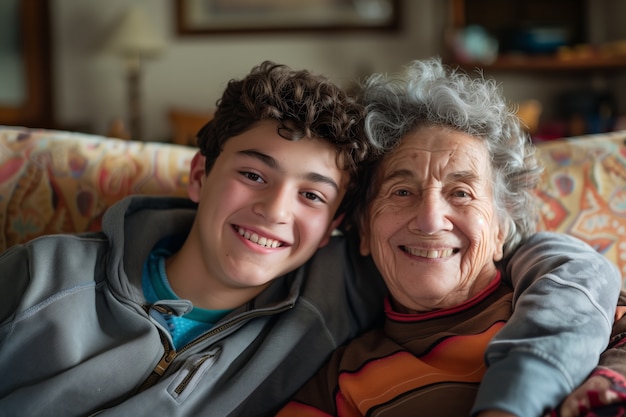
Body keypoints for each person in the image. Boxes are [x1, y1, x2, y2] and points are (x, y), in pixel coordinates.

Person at [0, 60, 619, 417]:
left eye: (313, 195)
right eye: (252, 174)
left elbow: (574, 271)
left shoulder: (556, 289)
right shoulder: (42, 277)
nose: (274, 210)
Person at [275, 57, 622, 417]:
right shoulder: (339, 381)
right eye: (402, 192)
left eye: (461, 193)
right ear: (363, 228)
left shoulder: (576, 304)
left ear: (501, 227)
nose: (429, 221)